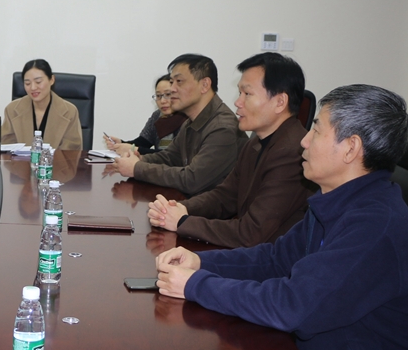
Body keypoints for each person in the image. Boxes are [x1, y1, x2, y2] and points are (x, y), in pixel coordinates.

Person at [156, 85, 408, 350]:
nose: (304, 141)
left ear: (351, 148)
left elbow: (293, 307)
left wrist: (196, 286)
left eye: (317, 130)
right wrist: (201, 263)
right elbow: (276, 259)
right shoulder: (336, 202)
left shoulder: (375, 225)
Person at [146, 53, 316, 248]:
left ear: (280, 102)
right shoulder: (255, 143)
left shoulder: (293, 153)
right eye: (239, 93)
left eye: (247, 94)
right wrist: (178, 208)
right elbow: (225, 196)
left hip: (273, 262)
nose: (238, 102)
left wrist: (183, 222)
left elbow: (250, 233)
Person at [114, 54, 246, 196]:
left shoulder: (222, 127)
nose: (172, 89)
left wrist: (137, 169)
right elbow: (170, 157)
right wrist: (140, 159)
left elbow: (192, 180)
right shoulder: (191, 121)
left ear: (204, 85)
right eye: (172, 82)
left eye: (179, 81)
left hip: (214, 207)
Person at [0, 59, 82, 150]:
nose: (33, 87)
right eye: (27, 83)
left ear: (52, 80)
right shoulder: (12, 110)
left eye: (38, 82)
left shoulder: (69, 111)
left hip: (57, 160)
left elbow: (71, 151)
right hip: (21, 160)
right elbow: (7, 148)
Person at [104, 74, 187, 154]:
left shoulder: (188, 119)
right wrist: (121, 143)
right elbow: (143, 142)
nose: (162, 101)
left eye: (168, 94)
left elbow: (173, 156)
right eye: (158, 96)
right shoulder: (157, 116)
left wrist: (134, 149)